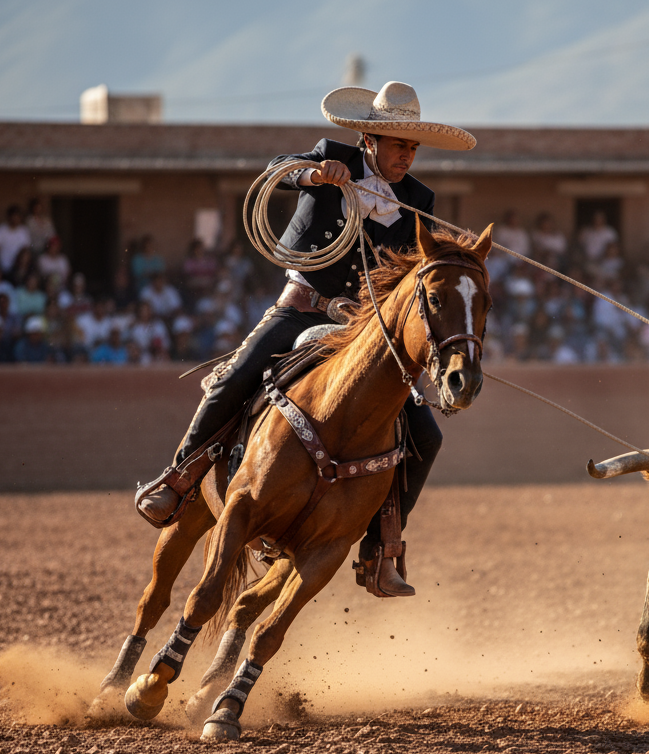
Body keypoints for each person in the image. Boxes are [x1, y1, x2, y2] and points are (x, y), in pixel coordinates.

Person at [135, 81, 476, 599]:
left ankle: (381, 551)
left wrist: (454, 258)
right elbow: (281, 168)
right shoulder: (331, 158)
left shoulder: (418, 202)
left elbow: (415, 275)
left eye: (412, 147)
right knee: (238, 375)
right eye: (397, 144)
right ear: (369, 140)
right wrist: (315, 174)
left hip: (363, 333)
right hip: (302, 309)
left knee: (425, 436)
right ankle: (178, 478)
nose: (406, 155)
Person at [0, 205, 32, 278]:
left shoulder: (23, 231)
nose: (16, 219)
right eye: (14, 216)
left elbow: (25, 251)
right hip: (3, 267)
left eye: (18, 217)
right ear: (9, 217)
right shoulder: (0, 230)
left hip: (17, 269)